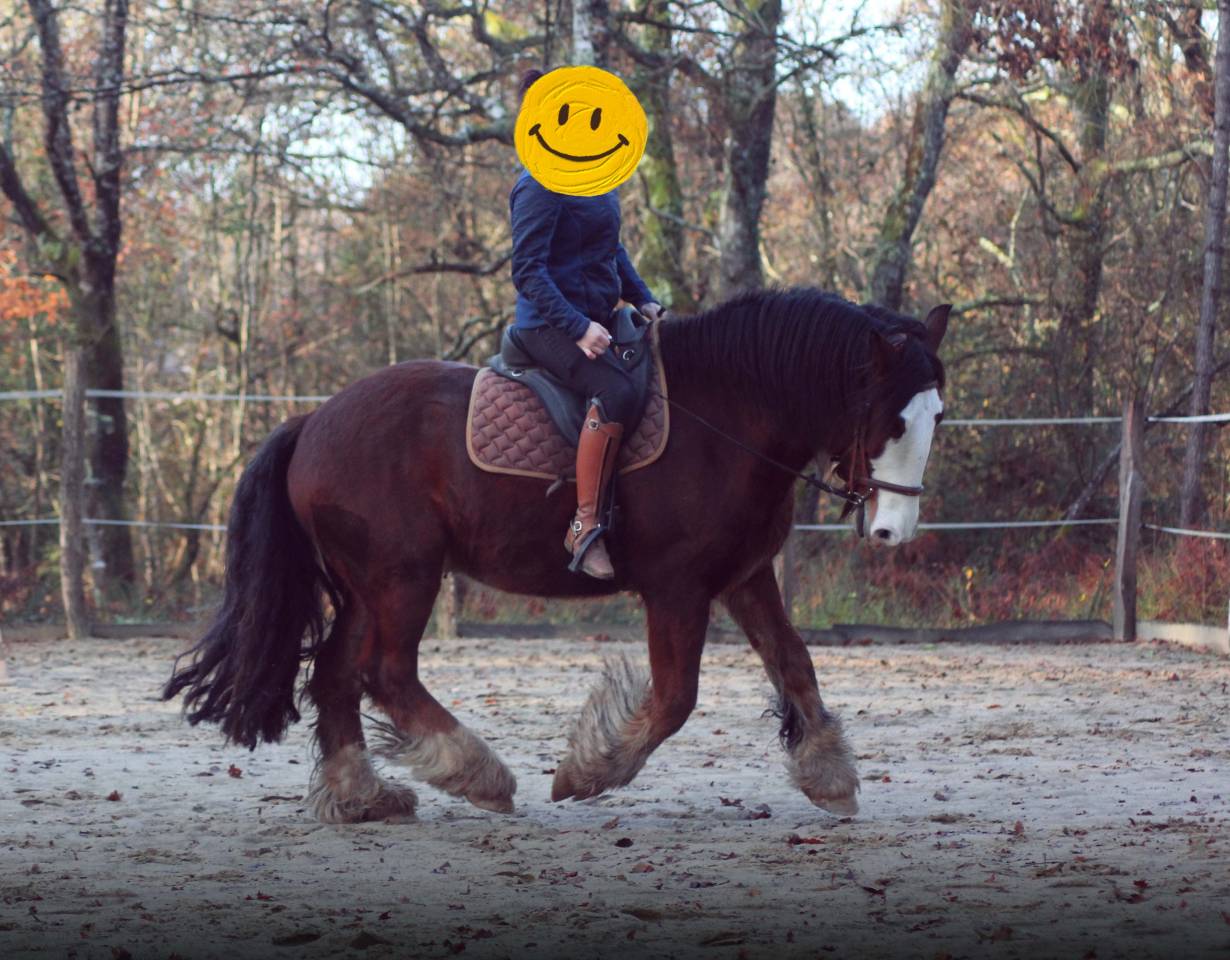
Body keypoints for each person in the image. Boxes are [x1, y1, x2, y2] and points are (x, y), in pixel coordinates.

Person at [508, 68, 663, 580]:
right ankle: (585, 524)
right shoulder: (537, 186)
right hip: (547, 327)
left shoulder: (596, 180)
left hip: (599, 317)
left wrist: (643, 299)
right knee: (614, 391)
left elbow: (611, 250)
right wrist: (577, 327)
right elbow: (527, 271)